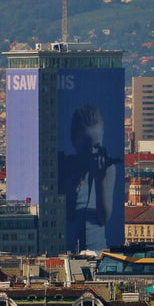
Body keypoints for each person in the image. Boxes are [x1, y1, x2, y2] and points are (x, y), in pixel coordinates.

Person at [59, 103, 117, 253]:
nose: (91, 152)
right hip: (65, 252)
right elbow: (66, 216)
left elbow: (103, 218)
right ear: (74, 141)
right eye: (86, 147)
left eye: (96, 146)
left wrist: (99, 179)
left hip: (97, 251)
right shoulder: (64, 166)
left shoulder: (108, 168)